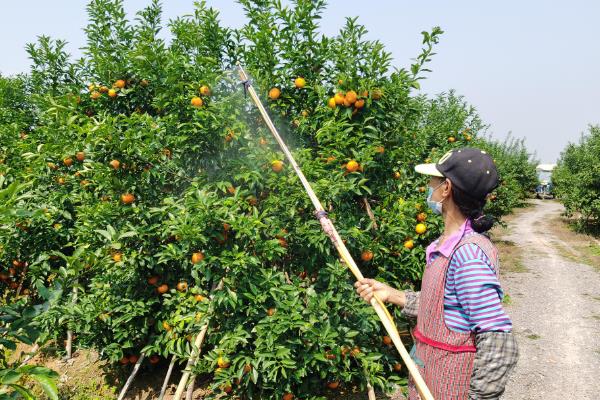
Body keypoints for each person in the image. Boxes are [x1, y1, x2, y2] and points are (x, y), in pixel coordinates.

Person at [355, 148, 518, 400]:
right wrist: (393, 294)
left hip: (449, 389)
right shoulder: (448, 245)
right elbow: (446, 307)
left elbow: (498, 340)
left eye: (433, 181)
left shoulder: (467, 256)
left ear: (446, 189)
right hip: (429, 380)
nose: (428, 187)